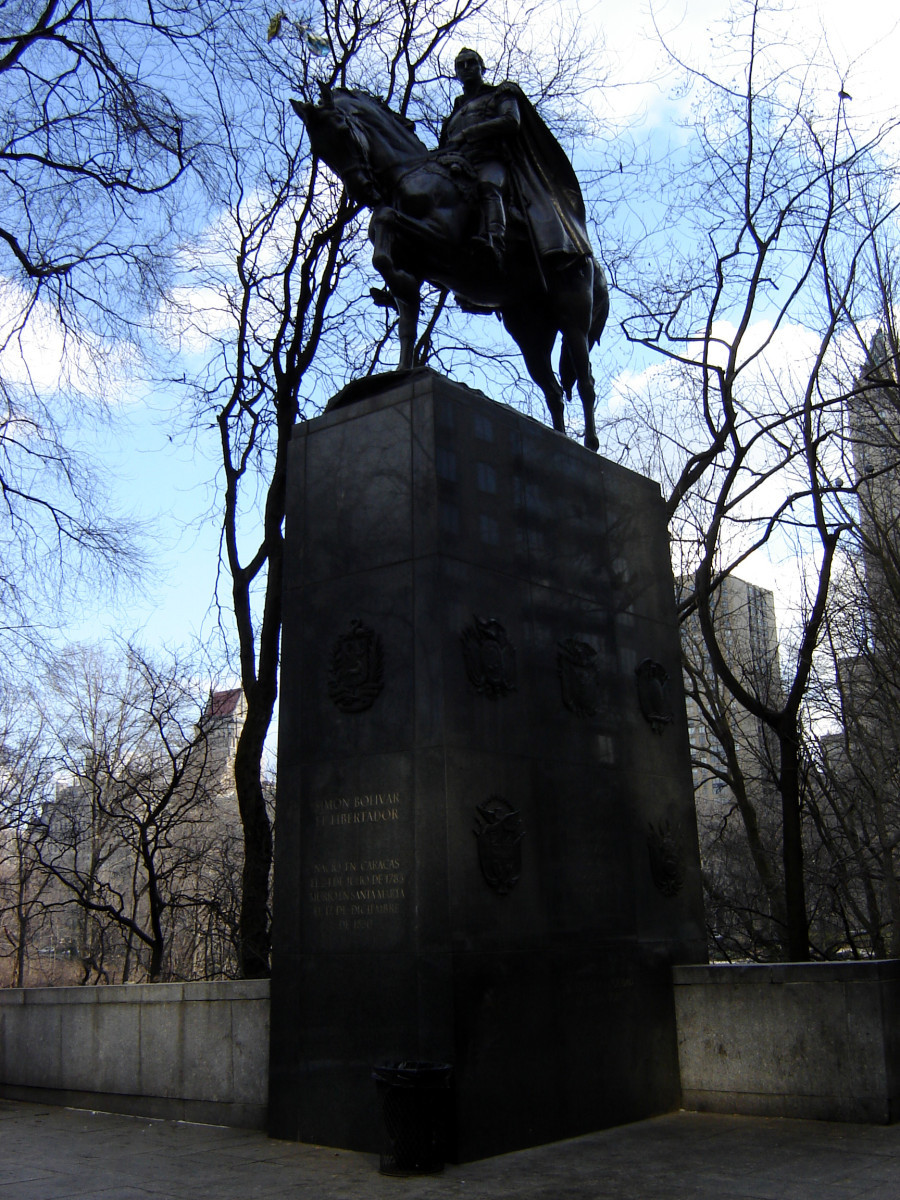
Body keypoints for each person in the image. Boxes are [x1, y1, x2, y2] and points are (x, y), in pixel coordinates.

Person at [439, 48, 592, 270]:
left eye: (471, 63)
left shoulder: (500, 94)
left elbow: (511, 121)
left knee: (488, 185)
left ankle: (495, 244)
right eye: (460, 65)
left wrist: (469, 133)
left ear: (482, 67)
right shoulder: (454, 114)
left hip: (490, 160)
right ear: (456, 74)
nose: (466, 68)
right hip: (458, 166)